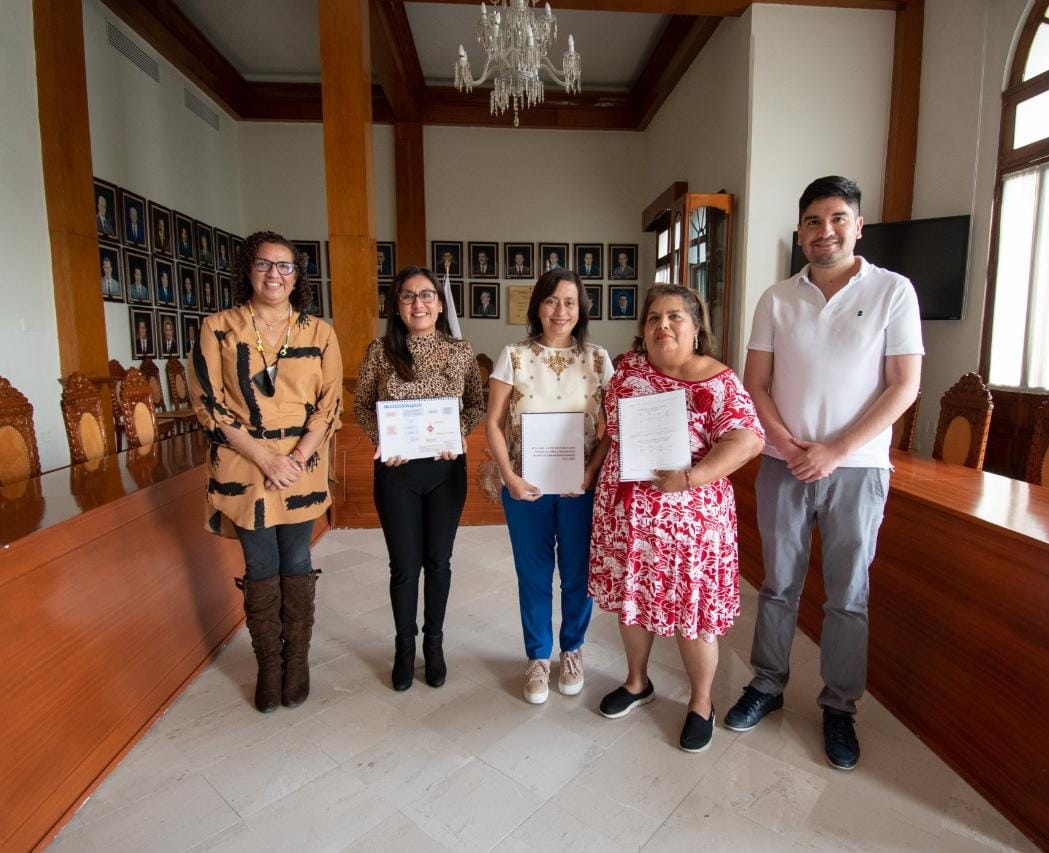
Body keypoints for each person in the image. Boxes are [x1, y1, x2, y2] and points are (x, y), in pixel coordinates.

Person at [724, 176, 923, 770]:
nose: (825, 231)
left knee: (848, 594)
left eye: (837, 219)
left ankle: (839, 706)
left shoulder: (893, 291)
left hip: (857, 468)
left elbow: (904, 386)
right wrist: (787, 444)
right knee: (777, 584)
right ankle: (766, 684)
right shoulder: (776, 298)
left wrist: (835, 451)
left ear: (858, 226)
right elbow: (756, 382)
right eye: (813, 221)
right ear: (800, 232)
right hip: (783, 464)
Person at [589, 284, 765, 753]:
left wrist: (691, 477)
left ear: (695, 327)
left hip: (691, 525)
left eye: (674, 317)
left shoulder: (718, 381)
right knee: (633, 601)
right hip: (627, 517)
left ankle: (701, 702)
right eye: (653, 318)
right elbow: (611, 430)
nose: (662, 325)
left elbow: (748, 440)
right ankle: (636, 682)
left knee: (693, 613)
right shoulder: (628, 370)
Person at [188, 230, 343, 714]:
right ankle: (269, 666)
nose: (274, 274)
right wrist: (265, 457)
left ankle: (296, 662)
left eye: (284, 266)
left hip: (301, 465)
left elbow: (330, 405)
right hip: (244, 464)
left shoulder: (319, 332)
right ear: (247, 270)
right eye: (263, 264)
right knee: (260, 565)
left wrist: (294, 459)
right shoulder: (217, 327)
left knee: (295, 558)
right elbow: (208, 404)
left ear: (297, 276)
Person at [354, 266, 485, 692]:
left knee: (439, 562)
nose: (418, 303)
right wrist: (382, 439)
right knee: (404, 566)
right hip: (397, 472)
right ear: (396, 305)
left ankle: (434, 643)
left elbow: (475, 405)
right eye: (408, 296)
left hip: (445, 471)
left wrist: (456, 434)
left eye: (426, 295)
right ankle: (404, 646)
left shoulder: (460, 351)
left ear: (440, 304)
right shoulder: (380, 351)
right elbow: (361, 406)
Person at [486, 269, 613, 704]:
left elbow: (613, 427)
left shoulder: (598, 358)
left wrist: (591, 471)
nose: (561, 311)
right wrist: (509, 476)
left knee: (578, 574)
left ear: (582, 309)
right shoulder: (514, 356)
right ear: (538, 306)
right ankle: (538, 656)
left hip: (580, 488)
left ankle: (571, 650)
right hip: (526, 488)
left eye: (570, 302)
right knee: (534, 574)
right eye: (552, 301)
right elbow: (493, 423)